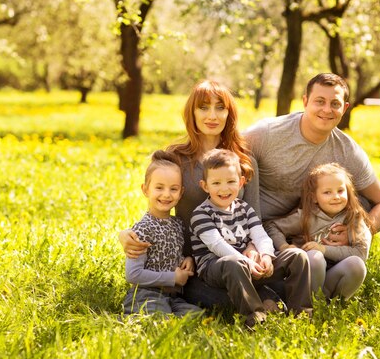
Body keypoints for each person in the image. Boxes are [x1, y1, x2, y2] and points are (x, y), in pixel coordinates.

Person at [119, 79, 289, 309]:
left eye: (220, 108)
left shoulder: (244, 161)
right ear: (192, 112)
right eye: (203, 107)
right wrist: (127, 233)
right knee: (221, 301)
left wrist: (252, 249)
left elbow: (253, 216)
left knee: (273, 275)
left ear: (229, 113)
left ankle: (263, 295)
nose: (212, 116)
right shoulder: (176, 158)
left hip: (239, 258)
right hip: (194, 263)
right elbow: (159, 202)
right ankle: (261, 300)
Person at [244, 73, 380, 282]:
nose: (327, 110)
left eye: (335, 103)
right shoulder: (267, 134)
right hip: (254, 228)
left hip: (306, 233)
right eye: (319, 101)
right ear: (305, 101)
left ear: (344, 108)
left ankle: (319, 282)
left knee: (359, 202)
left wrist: (355, 232)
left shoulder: (347, 151)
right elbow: (221, 163)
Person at [190, 149, 311, 326]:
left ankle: (302, 314)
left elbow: (260, 235)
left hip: (249, 263)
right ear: (205, 186)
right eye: (216, 183)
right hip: (217, 268)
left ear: (240, 183)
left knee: (297, 256)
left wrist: (266, 256)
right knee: (234, 263)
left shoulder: (245, 208)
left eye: (231, 181)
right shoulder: (201, 214)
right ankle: (255, 317)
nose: (224, 188)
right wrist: (246, 262)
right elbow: (217, 245)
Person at [266, 163, 373, 300]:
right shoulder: (306, 217)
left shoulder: (354, 218)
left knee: (357, 265)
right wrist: (284, 246)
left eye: (340, 191)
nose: (336, 197)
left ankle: (329, 305)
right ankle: (307, 304)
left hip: (334, 275)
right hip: (307, 278)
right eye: (327, 192)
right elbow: (272, 227)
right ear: (314, 197)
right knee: (315, 256)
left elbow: (361, 253)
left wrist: (324, 249)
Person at [123, 150, 202, 317]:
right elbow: (133, 274)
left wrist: (186, 260)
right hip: (146, 293)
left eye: (173, 189)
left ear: (181, 193)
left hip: (172, 296)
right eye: (159, 188)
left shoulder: (178, 224)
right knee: (159, 318)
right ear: (145, 190)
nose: (166, 194)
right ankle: (133, 315)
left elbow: (172, 255)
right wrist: (173, 277)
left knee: (197, 316)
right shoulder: (142, 229)